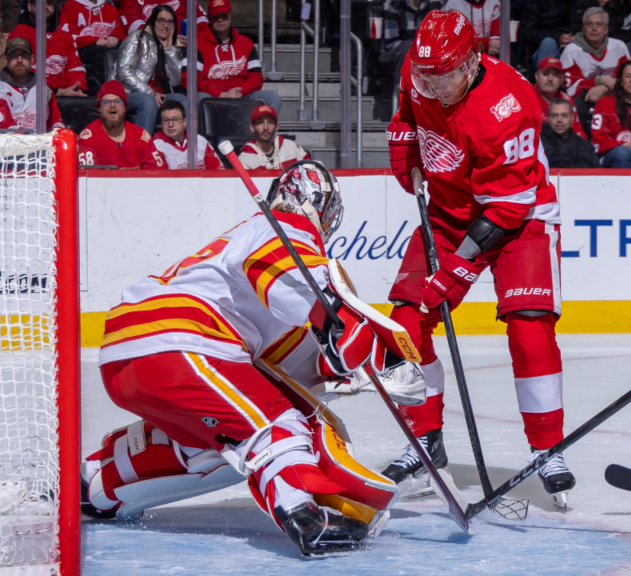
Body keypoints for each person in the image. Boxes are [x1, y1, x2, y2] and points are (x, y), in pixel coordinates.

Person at [82, 160, 428, 555]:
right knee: (278, 424)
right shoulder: (283, 228)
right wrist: (338, 320)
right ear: (318, 204)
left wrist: (356, 370)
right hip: (183, 342)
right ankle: (303, 515)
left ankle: (95, 482)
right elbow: (286, 274)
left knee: (213, 446)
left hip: (126, 353)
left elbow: (286, 361)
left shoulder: (243, 239)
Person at [384, 10, 575, 507]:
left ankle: (547, 447)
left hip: (521, 216)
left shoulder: (509, 107)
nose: (436, 86)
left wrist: (459, 268)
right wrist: (404, 143)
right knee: (406, 321)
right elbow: (407, 110)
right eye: (428, 76)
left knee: (529, 325)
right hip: (449, 212)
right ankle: (425, 441)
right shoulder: (422, 69)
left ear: (471, 62)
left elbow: (507, 208)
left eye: (446, 77)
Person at [183, 0, 282, 112]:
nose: (220, 19)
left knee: (273, 97)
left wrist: (239, 92)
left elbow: (256, 77)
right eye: (216, 16)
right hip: (210, 95)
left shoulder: (246, 43)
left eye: (224, 15)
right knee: (198, 97)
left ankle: (263, 124)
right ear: (209, 18)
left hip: (240, 94)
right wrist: (220, 94)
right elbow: (189, 79)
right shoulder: (196, 43)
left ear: (230, 16)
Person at [115, 5, 187, 137]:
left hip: (158, 95)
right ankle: (142, 145)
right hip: (129, 94)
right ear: (153, 22)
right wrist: (150, 92)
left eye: (170, 22)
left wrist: (169, 50)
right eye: (161, 20)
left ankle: (182, 144)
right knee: (149, 101)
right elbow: (123, 71)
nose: (166, 26)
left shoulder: (173, 45)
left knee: (182, 100)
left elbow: (176, 81)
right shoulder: (136, 38)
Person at [77, 80, 165, 169]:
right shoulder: (88, 138)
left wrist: (137, 174)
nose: (112, 105)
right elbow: (89, 174)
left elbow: (157, 170)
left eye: (117, 102)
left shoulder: (141, 135)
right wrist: (119, 175)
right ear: (99, 108)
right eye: (106, 102)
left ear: (125, 107)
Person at [9, 0, 87, 97]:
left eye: (49, 3)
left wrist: (76, 88)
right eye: (39, 3)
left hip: (67, 94)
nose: (45, 6)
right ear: (29, 6)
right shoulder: (19, 34)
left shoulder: (66, 36)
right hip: (33, 95)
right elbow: (21, 73)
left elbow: (76, 69)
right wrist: (56, 91)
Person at [561, 7, 631, 102]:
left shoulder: (619, 47)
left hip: (616, 96)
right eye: (589, 24)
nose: (594, 28)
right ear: (583, 28)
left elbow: (629, 80)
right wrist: (600, 80)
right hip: (584, 99)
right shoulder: (571, 51)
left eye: (599, 24)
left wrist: (605, 88)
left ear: (606, 29)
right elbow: (571, 88)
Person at [59, 0, 127, 96]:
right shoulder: (70, 4)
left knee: (124, 49)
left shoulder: (111, 8)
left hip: (105, 48)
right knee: (101, 51)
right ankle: (97, 90)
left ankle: (123, 88)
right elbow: (66, 36)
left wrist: (115, 37)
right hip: (80, 49)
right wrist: (94, 40)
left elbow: (120, 32)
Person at [0, 37, 62, 131]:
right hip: (9, 140)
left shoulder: (44, 89)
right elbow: (6, 127)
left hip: (41, 140)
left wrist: (59, 132)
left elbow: (55, 122)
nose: (19, 60)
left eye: (24, 55)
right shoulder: (1, 90)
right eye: (14, 56)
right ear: (6, 59)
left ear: (32, 59)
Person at [520, 0, 597, 68]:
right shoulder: (540, 2)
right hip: (550, 50)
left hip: (582, 46)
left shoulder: (588, 2)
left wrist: (580, 38)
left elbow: (600, 27)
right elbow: (526, 31)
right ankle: (548, 78)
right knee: (548, 43)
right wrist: (558, 38)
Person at [152, 99, 222, 170]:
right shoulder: (156, 146)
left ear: (184, 122)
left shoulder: (200, 141)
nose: (170, 124)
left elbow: (218, 171)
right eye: (165, 120)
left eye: (175, 120)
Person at [239, 105, 311, 170]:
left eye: (270, 122)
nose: (265, 127)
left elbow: (310, 172)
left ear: (276, 127)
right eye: (260, 122)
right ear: (252, 127)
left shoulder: (291, 147)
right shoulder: (244, 160)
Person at [533, 56, 586, 138]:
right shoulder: (525, 98)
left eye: (555, 75)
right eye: (545, 74)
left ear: (561, 79)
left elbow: (578, 131)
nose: (550, 79)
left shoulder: (567, 100)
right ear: (537, 76)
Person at [541, 98, 600, 167]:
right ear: (548, 118)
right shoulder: (539, 145)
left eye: (564, 115)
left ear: (572, 118)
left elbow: (598, 172)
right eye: (554, 116)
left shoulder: (585, 146)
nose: (559, 120)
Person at [119, 0, 209, 40]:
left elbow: (200, 19)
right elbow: (135, 27)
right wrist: (168, 39)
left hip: (186, 47)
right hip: (151, 51)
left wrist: (196, 39)